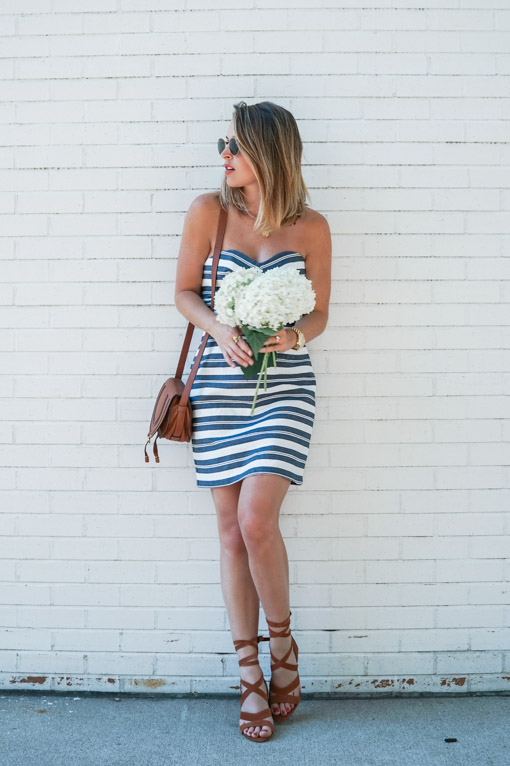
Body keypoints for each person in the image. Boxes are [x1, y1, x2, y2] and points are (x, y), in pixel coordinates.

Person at [174, 101, 331, 741]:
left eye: (234, 145)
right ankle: (249, 677)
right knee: (230, 533)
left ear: (268, 152)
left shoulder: (313, 226)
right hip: (218, 386)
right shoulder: (208, 214)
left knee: (255, 519)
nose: (224, 155)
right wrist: (220, 325)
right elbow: (184, 292)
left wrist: (292, 336)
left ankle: (284, 648)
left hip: (285, 388)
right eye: (224, 143)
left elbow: (321, 315)